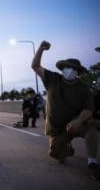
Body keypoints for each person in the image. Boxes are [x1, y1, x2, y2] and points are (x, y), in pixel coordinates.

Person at [32, 40, 100, 180]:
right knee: (58, 156)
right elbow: (35, 66)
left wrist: (79, 121)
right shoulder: (52, 79)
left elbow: (88, 109)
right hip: (56, 127)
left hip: (75, 123)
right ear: (62, 69)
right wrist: (41, 49)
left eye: (74, 69)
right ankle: (65, 146)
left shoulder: (83, 87)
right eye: (68, 67)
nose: (70, 70)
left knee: (92, 127)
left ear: (78, 72)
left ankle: (93, 163)